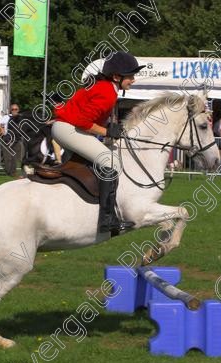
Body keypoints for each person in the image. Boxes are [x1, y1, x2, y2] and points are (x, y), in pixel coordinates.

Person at [52, 51, 145, 234]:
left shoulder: (106, 87)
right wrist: (108, 131)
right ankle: (107, 220)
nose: (133, 79)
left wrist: (109, 127)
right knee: (111, 162)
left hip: (66, 127)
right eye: (131, 75)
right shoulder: (106, 91)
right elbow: (83, 122)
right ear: (117, 76)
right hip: (69, 129)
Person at [0, 104, 25, 176]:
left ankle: (13, 172)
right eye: (13, 109)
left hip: (17, 139)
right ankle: (9, 172)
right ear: (10, 110)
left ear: (18, 110)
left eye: (16, 109)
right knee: (7, 157)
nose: (14, 110)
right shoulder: (6, 117)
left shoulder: (21, 118)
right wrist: (1, 129)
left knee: (15, 157)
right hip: (7, 139)